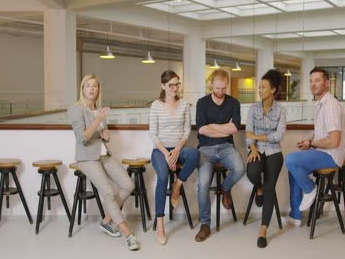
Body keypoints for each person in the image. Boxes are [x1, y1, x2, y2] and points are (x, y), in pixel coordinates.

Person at [68, 75, 139, 251]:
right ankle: (128, 234)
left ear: (98, 89)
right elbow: (82, 138)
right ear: (82, 89)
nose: (92, 89)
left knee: (128, 185)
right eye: (88, 86)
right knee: (108, 191)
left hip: (102, 155)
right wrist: (98, 120)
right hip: (86, 157)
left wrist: (106, 136)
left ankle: (107, 221)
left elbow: (101, 134)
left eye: (95, 86)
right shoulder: (77, 109)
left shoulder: (98, 109)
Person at [285, 67, 345, 226]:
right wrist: (309, 142)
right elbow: (323, 135)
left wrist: (312, 143)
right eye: (311, 81)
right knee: (293, 170)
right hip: (322, 152)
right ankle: (295, 215)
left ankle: (310, 189)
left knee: (291, 160)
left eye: (317, 80)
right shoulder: (321, 104)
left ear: (327, 83)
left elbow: (334, 141)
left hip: (330, 156)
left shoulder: (330, 105)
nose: (313, 84)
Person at [149, 70, 199, 245]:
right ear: (163, 86)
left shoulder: (184, 104)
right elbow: (153, 134)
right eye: (171, 85)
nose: (174, 88)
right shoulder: (156, 105)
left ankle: (178, 184)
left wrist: (177, 150)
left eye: (177, 84)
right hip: (160, 151)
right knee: (162, 177)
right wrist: (167, 154)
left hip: (178, 149)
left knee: (195, 154)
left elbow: (187, 130)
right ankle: (161, 223)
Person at [194, 69, 245, 242]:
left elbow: (234, 128)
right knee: (202, 185)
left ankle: (225, 188)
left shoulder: (234, 103)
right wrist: (223, 127)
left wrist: (212, 127)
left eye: (224, 88)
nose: (221, 92)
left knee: (239, 169)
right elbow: (201, 129)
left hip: (226, 147)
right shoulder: (202, 103)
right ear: (211, 85)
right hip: (205, 149)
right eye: (217, 88)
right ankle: (205, 225)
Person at [246, 69, 286, 248]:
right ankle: (258, 188)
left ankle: (263, 230)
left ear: (273, 90)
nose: (259, 90)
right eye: (259, 87)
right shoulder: (253, 108)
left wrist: (257, 136)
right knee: (252, 172)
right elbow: (247, 134)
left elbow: (278, 137)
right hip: (256, 149)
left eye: (263, 87)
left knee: (271, 187)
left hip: (274, 152)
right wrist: (253, 146)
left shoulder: (281, 110)